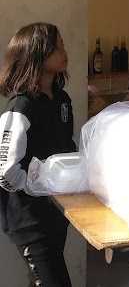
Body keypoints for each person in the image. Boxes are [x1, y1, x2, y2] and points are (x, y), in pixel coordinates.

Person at [0, 23, 75, 287]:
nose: (64, 51)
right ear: (37, 54)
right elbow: (5, 171)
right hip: (30, 222)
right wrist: (36, 185)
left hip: (56, 214)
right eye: (57, 47)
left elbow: (66, 147)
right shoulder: (21, 107)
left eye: (63, 44)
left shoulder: (62, 100)